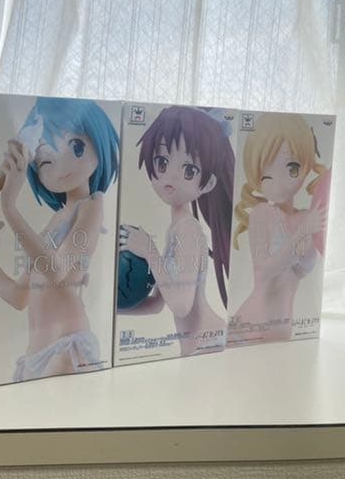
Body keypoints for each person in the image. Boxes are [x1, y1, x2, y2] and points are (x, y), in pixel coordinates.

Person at [0, 97, 119, 381]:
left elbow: (58, 272)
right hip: (33, 357)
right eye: (46, 159)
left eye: (76, 147)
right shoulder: (56, 220)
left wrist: (9, 207)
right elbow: (18, 296)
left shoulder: (91, 205)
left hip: (67, 349)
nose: (60, 164)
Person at [119, 106, 234, 356]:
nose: (170, 177)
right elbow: (157, 305)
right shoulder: (177, 229)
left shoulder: (188, 230)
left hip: (207, 343)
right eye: (161, 162)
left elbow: (181, 306)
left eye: (189, 170)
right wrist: (112, 309)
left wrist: (149, 251)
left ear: (209, 183)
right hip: (196, 345)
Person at [228, 114, 328, 344]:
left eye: (292, 167)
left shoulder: (308, 216)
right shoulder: (263, 214)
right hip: (250, 326)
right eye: (267, 174)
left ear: (306, 166)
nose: (280, 181)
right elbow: (263, 272)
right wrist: (302, 233)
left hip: (284, 331)